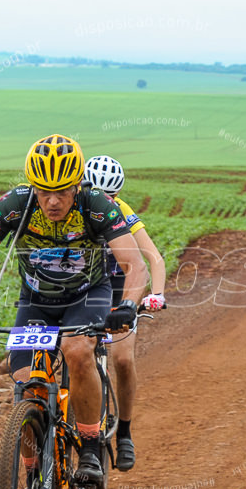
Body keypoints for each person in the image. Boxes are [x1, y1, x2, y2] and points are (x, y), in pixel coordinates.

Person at [0, 135, 148, 489]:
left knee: (77, 351)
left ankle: (92, 445)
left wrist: (126, 305)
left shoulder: (97, 206)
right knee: (24, 381)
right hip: (35, 302)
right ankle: (33, 473)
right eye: (43, 191)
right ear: (32, 185)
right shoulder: (15, 204)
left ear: (78, 184)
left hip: (87, 295)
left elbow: (134, 263)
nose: (52, 201)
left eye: (62, 192)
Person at [83, 155, 166, 472]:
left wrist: (155, 294)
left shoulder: (123, 211)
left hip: (118, 284)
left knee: (122, 358)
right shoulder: (74, 208)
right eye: (97, 192)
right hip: (86, 286)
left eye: (112, 196)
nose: (106, 201)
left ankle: (125, 432)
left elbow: (153, 258)